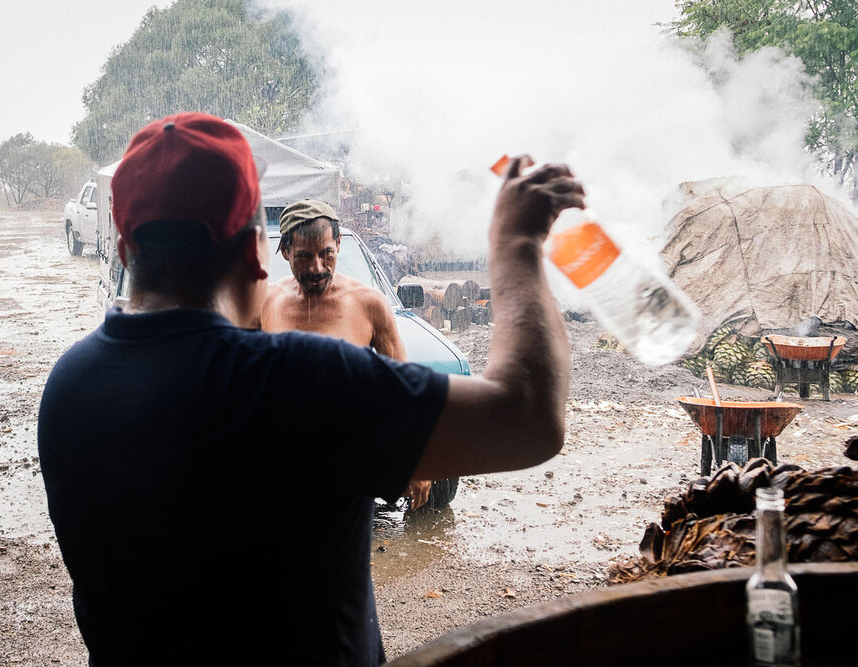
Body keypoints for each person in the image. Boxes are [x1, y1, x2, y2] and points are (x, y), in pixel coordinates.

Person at [37, 112, 583, 666]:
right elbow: (529, 417)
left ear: (126, 247)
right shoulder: (305, 381)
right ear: (258, 251)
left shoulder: (68, 387)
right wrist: (516, 243)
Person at [261, 198, 430, 509]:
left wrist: (415, 462)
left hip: (348, 471)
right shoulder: (266, 302)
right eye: (303, 257)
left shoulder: (369, 304)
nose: (317, 268)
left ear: (338, 244)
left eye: (327, 254)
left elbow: (404, 388)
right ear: (285, 252)